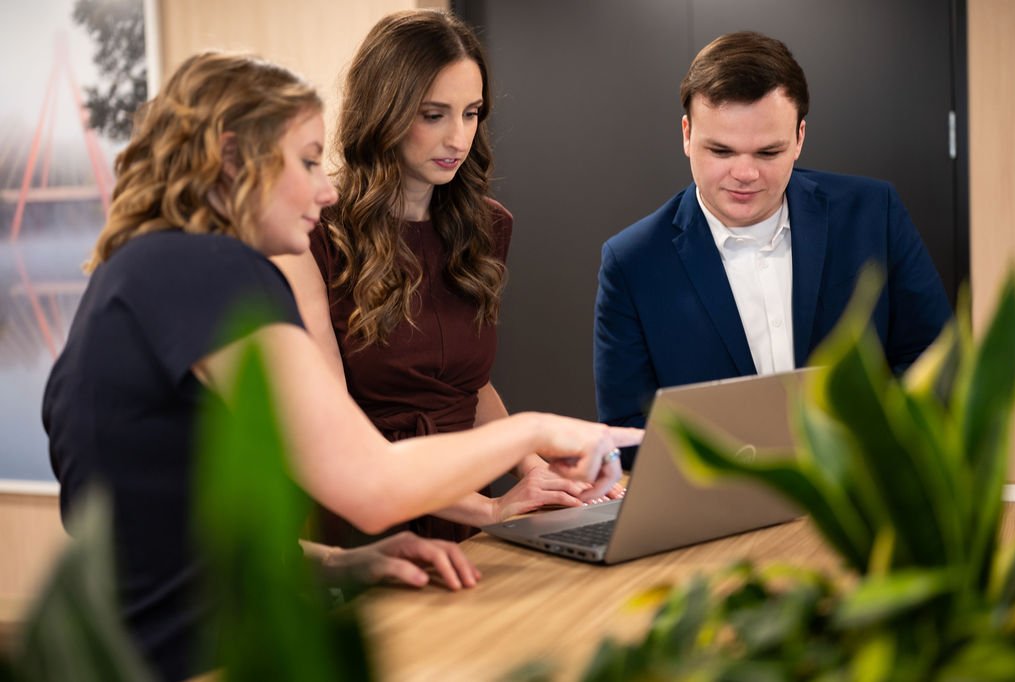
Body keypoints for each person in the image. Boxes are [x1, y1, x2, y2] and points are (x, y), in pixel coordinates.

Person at [42, 52, 639, 682]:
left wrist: (339, 564)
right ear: (232, 158)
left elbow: (173, 522)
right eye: (305, 161)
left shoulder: (146, 271)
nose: (326, 189)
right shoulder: (204, 273)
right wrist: (533, 432)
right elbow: (370, 484)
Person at [275, 9, 619, 547]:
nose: (457, 137)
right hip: (368, 518)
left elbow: (468, 387)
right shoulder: (313, 231)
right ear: (383, 112)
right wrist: (488, 507)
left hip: (471, 512)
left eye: (472, 113)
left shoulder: (486, 225)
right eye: (433, 115)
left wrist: (532, 471)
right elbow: (333, 431)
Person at [594, 31, 950, 466]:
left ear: (799, 137)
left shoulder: (874, 212)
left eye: (768, 152)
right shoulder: (632, 262)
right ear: (687, 134)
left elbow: (935, 360)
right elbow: (629, 430)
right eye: (721, 150)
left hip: (865, 497)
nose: (744, 173)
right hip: (718, 517)